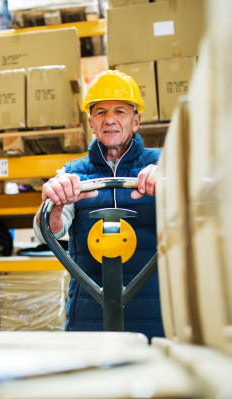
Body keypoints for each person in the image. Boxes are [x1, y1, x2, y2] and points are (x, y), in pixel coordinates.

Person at [33, 70, 164, 339]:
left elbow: (201, 211)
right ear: (91, 123)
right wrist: (54, 205)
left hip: (157, 313)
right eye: (101, 112)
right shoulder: (72, 173)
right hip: (90, 315)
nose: (110, 120)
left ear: (136, 120)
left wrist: (173, 185)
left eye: (120, 111)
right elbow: (47, 231)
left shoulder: (164, 163)